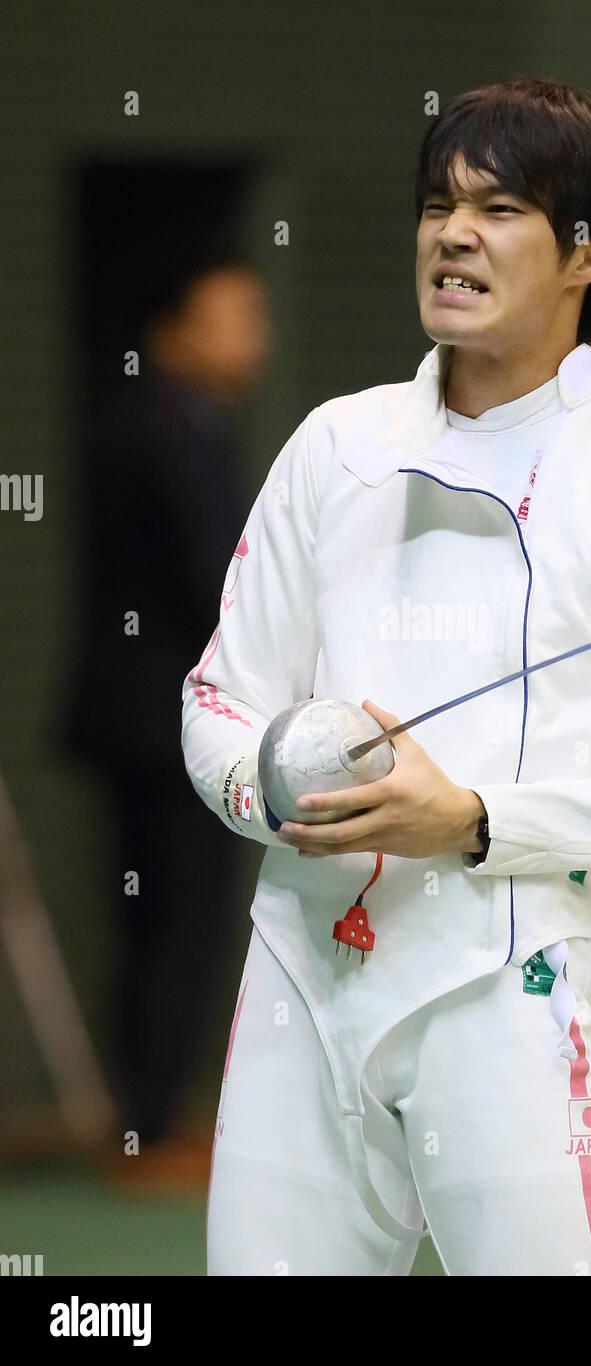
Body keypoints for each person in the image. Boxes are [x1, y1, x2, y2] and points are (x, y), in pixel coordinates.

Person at [181, 77, 591, 1275]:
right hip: (299, 981)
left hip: (509, 995)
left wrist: (473, 819)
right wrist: (274, 790)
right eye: (438, 204)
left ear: (590, 252)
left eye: (498, 208)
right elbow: (214, 701)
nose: (451, 234)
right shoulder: (334, 447)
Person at [62, 248, 271, 1187]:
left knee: (158, 922)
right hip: (166, 730)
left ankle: (144, 1120)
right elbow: (214, 584)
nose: (251, 337)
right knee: (176, 922)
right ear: (175, 331)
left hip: (139, 724)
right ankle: (145, 1130)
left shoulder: (182, 423)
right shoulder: (171, 430)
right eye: (231, 316)